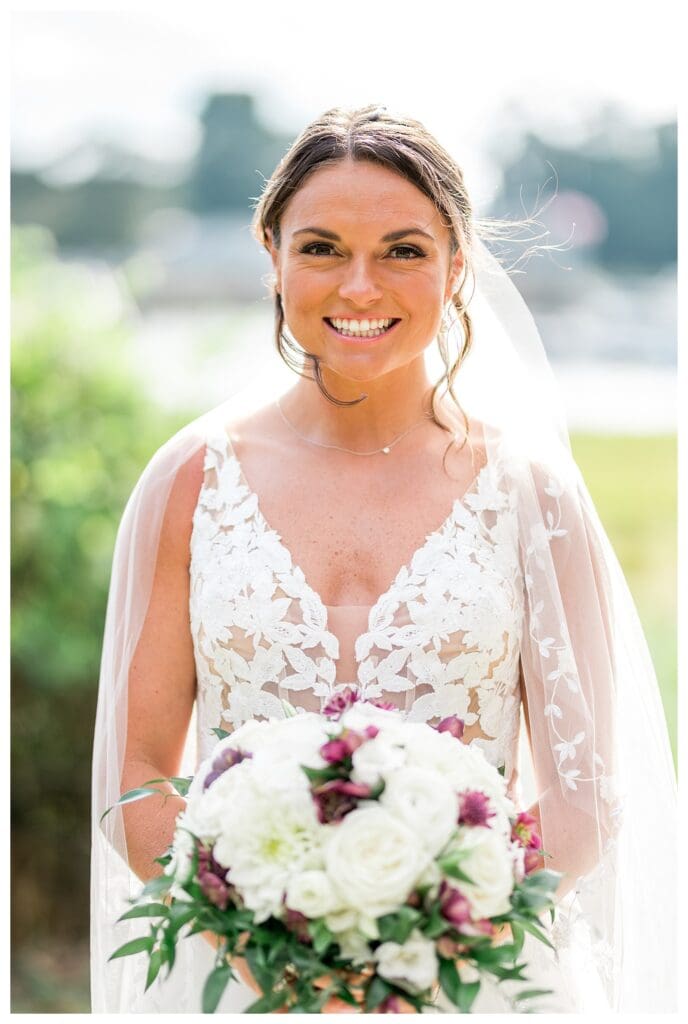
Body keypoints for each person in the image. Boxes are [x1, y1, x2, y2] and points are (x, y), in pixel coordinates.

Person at [90, 105, 676, 1013]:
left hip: (470, 979)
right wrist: (265, 950)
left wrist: (422, 950)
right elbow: (137, 777)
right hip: (242, 978)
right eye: (321, 248)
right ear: (273, 258)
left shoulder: (532, 492)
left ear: (457, 267)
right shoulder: (191, 481)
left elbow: (585, 796)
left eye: (403, 250)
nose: (359, 286)